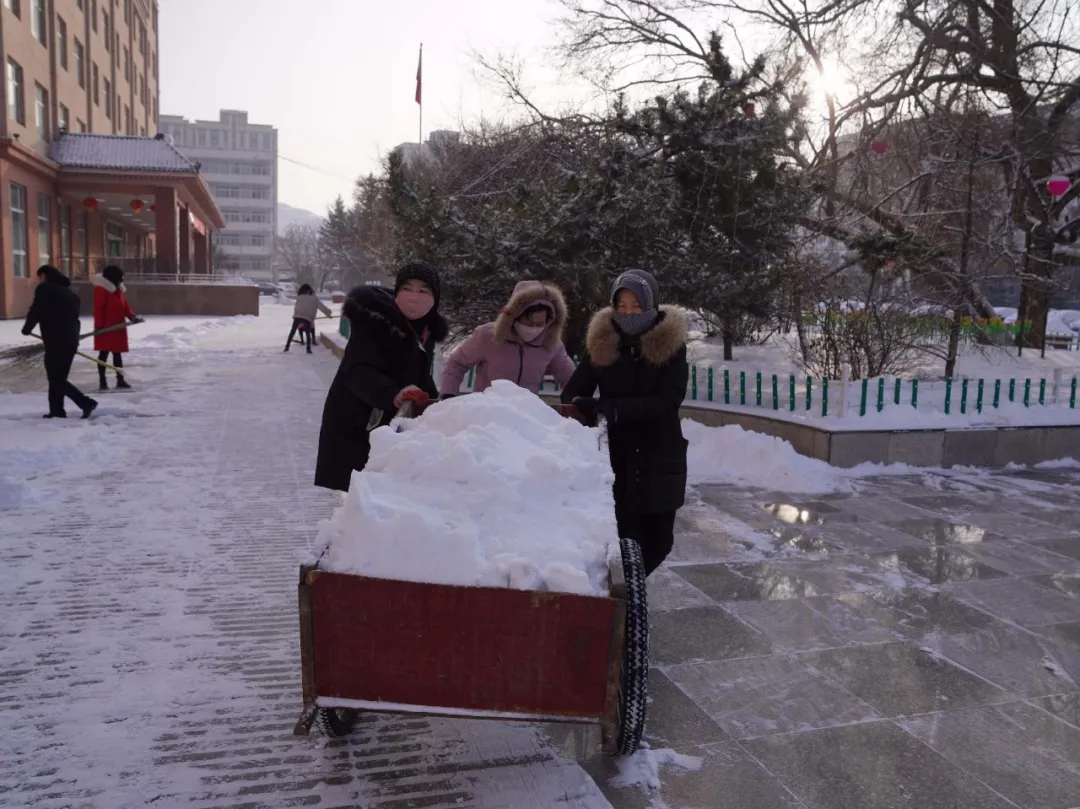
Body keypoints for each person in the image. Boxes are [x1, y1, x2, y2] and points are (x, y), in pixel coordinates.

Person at [560, 269, 689, 576]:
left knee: (659, 543)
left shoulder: (670, 346)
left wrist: (615, 408)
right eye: (621, 306)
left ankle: (625, 597)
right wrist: (589, 408)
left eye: (636, 305)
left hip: (660, 456)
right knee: (625, 543)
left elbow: (668, 400)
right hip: (618, 458)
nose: (628, 312)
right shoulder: (603, 343)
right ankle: (621, 608)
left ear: (651, 305)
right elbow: (573, 392)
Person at [314, 261, 448, 492]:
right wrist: (393, 395)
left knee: (383, 492)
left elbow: (420, 371)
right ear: (397, 291)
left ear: (435, 297)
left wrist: (435, 406)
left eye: (423, 290)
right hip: (358, 417)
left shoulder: (425, 328)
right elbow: (357, 370)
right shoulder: (375, 322)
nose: (414, 296)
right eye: (407, 287)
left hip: (387, 418)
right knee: (362, 494)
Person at [439, 280, 574, 398]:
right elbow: (457, 363)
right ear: (514, 316)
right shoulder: (488, 335)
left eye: (540, 324)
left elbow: (571, 379)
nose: (534, 329)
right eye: (529, 323)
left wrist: (574, 398)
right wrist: (448, 394)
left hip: (526, 417)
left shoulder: (551, 344)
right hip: (487, 415)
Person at [21, 265, 99, 419]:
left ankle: (85, 402)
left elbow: (37, 308)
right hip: (70, 341)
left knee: (56, 378)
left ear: (44, 275)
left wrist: (27, 327)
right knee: (58, 378)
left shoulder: (46, 288)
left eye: (39, 277)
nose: (39, 280)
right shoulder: (69, 293)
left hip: (56, 340)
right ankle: (57, 411)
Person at [92, 265, 143, 390]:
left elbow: (124, 306)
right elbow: (99, 309)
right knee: (103, 354)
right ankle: (102, 382)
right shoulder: (102, 289)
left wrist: (131, 316)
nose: (122, 279)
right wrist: (99, 327)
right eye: (120, 277)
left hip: (117, 327)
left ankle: (120, 380)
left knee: (117, 354)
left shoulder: (117, 290)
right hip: (105, 328)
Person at [285, 283, 331, 354]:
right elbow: (322, 307)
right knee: (308, 333)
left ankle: (287, 347)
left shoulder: (299, 297)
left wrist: (297, 315)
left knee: (292, 332)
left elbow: (296, 307)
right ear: (310, 290)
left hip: (297, 316)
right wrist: (328, 313)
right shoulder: (314, 298)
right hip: (307, 318)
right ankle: (308, 349)